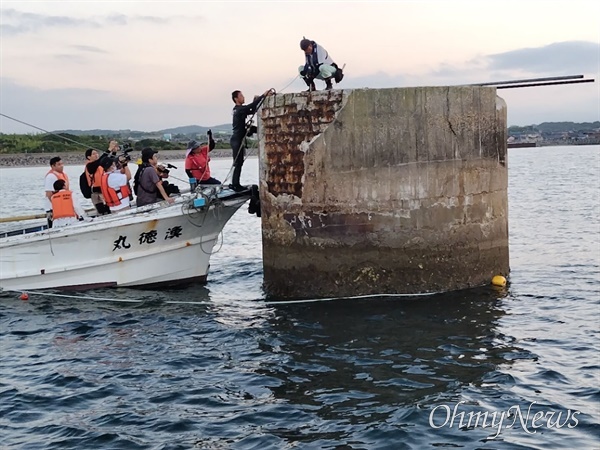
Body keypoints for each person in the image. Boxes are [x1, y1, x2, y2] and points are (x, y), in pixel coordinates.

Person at [230, 89, 273, 191]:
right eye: (241, 96)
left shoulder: (239, 110)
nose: (243, 97)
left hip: (238, 139)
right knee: (238, 163)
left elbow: (252, 110)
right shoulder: (238, 109)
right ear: (236, 98)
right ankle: (235, 184)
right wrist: (263, 95)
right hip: (236, 140)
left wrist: (258, 100)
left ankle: (235, 183)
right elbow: (250, 107)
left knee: (239, 163)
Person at [83, 148, 111, 215]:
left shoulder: (100, 165)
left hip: (104, 190)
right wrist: (109, 150)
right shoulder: (89, 166)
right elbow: (99, 161)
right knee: (101, 211)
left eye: (97, 153)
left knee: (108, 209)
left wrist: (114, 151)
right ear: (88, 157)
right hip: (96, 193)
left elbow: (110, 161)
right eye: (93, 154)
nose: (96, 155)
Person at [44, 156, 70, 228]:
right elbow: (49, 194)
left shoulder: (63, 174)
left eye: (62, 164)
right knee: (53, 226)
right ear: (53, 166)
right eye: (59, 164)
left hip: (62, 205)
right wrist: (55, 206)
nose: (62, 166)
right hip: (52, 208)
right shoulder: (50, 176)